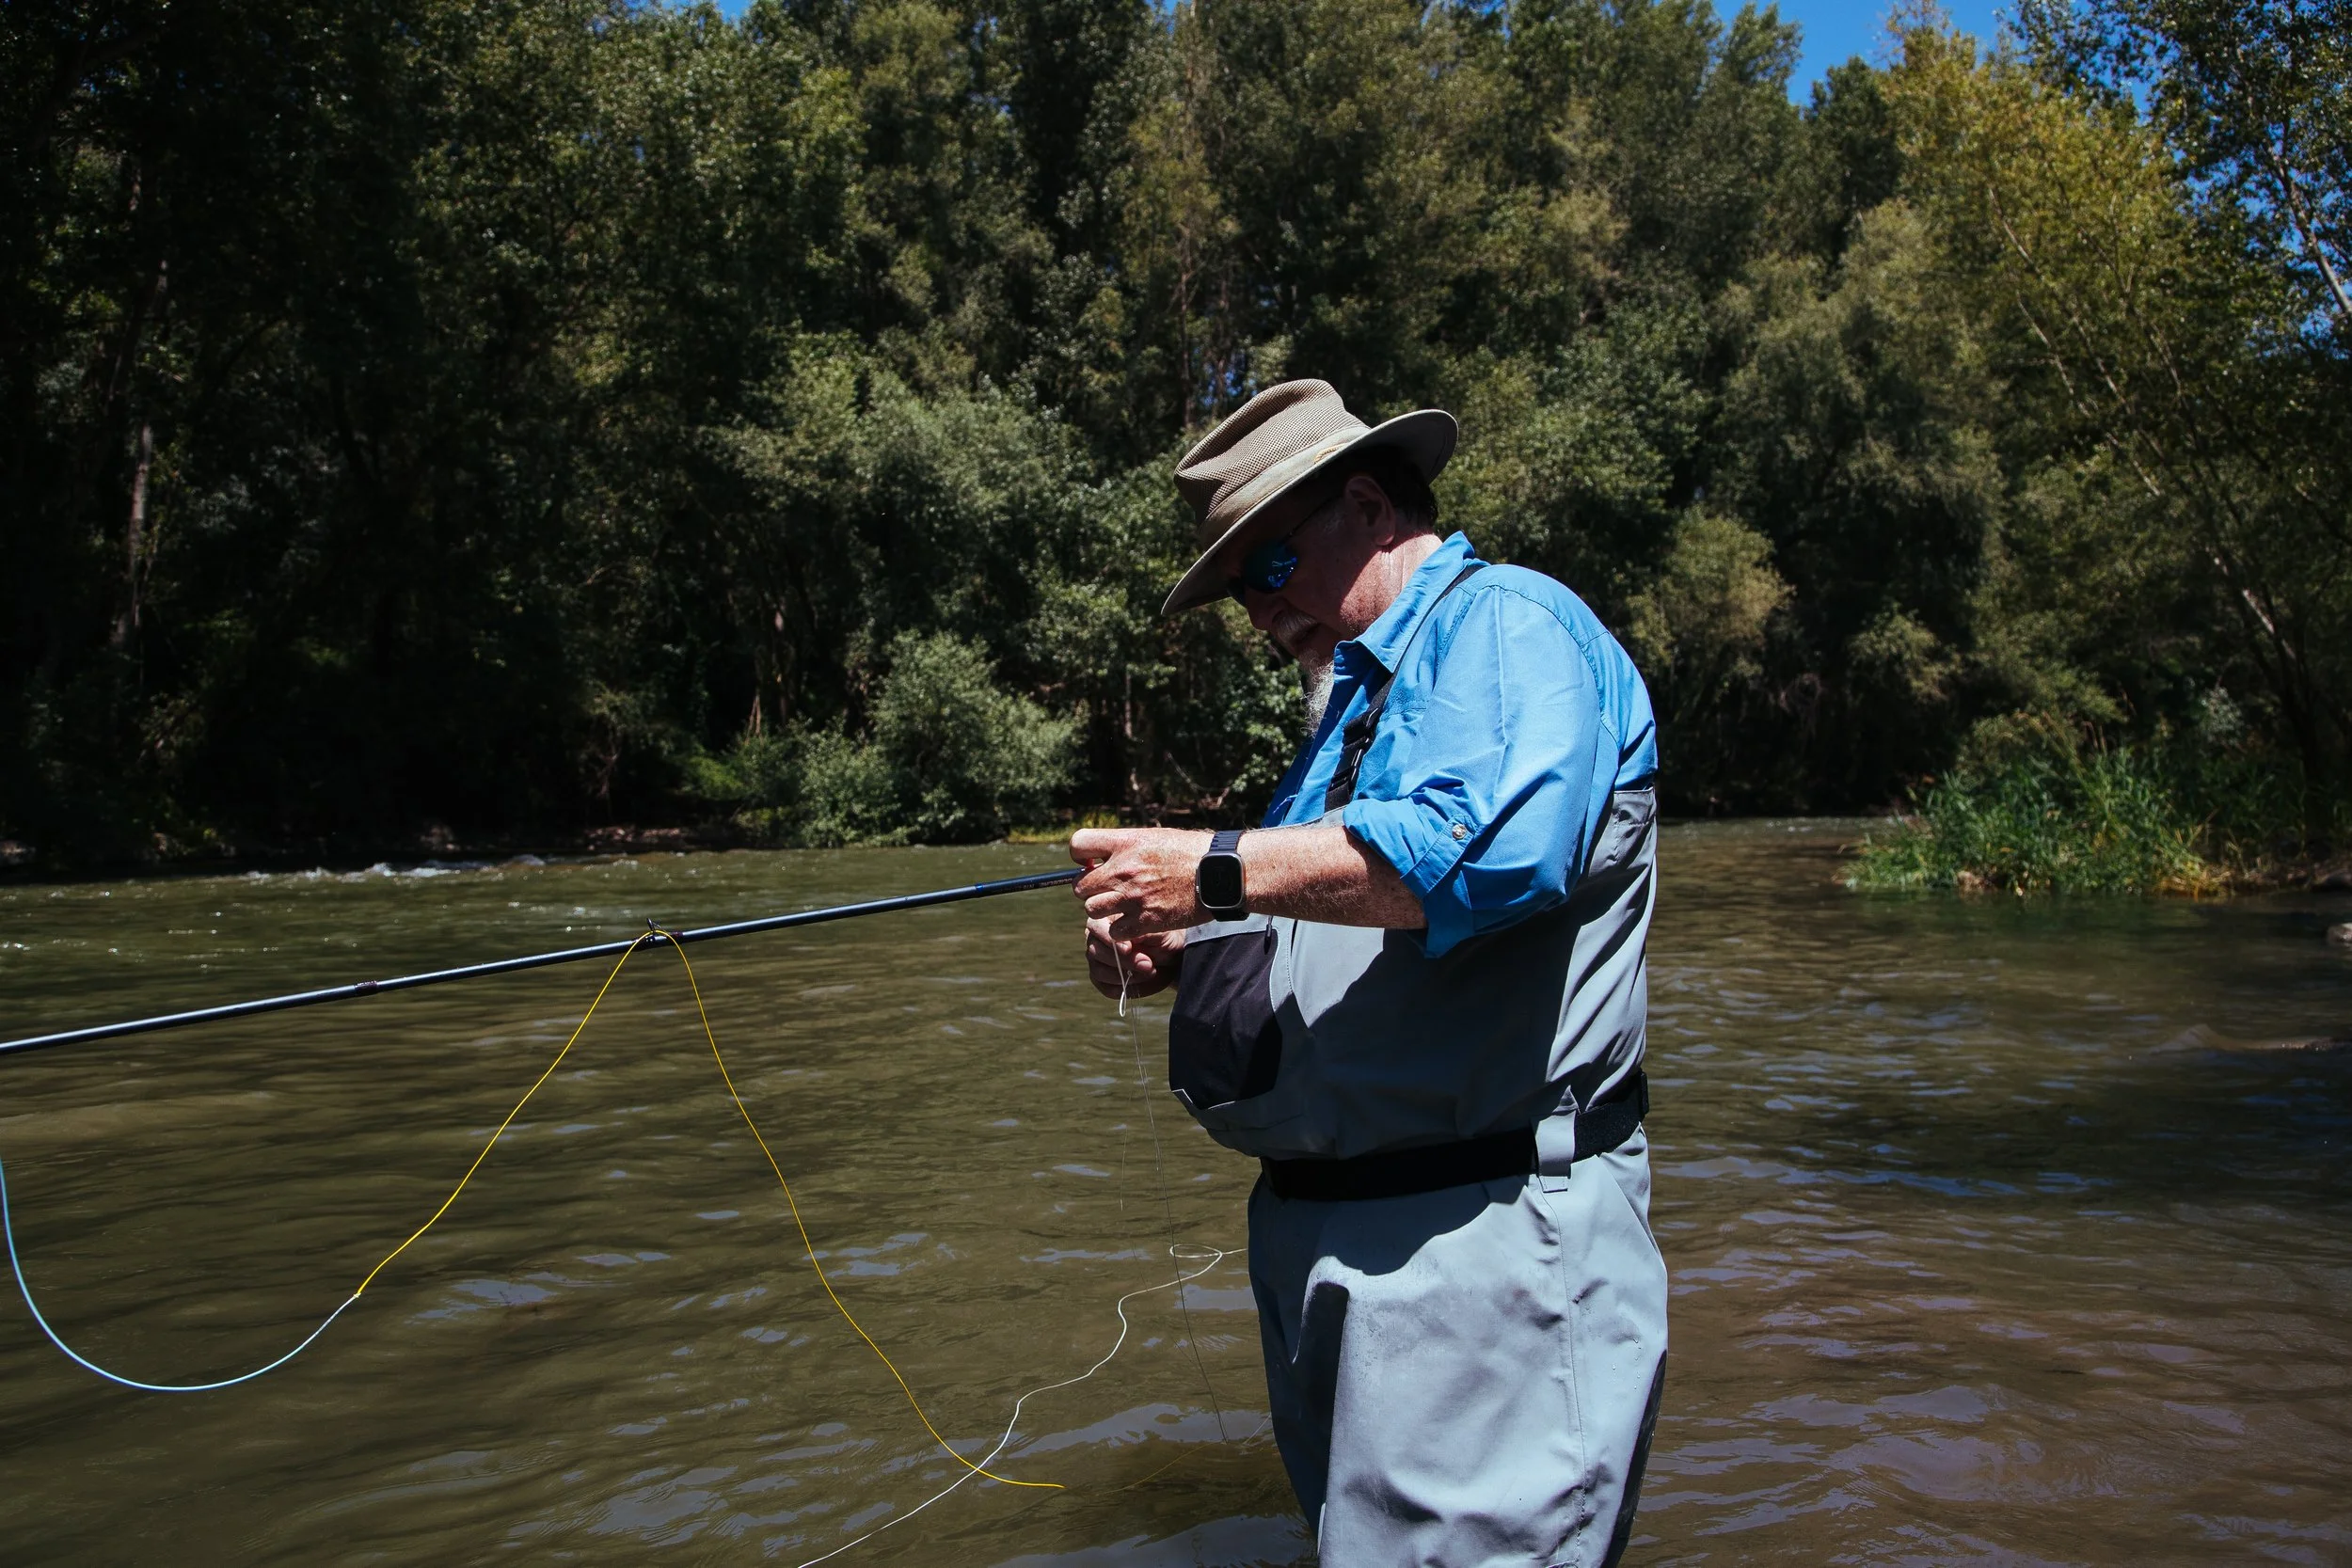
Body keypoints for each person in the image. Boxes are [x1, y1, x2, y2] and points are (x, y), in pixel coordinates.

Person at [1070, 379, 1666, 1568]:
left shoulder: (1507, 622)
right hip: (1343, 1256)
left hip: (1477, 1251)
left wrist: (1218, 871)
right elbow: (1330, 915)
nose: (1259, 610)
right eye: (1238, 588)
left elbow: (1489, 851)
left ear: (1364, 501)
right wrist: (1180, 947)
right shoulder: (1351, 708)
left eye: (1271, 563)